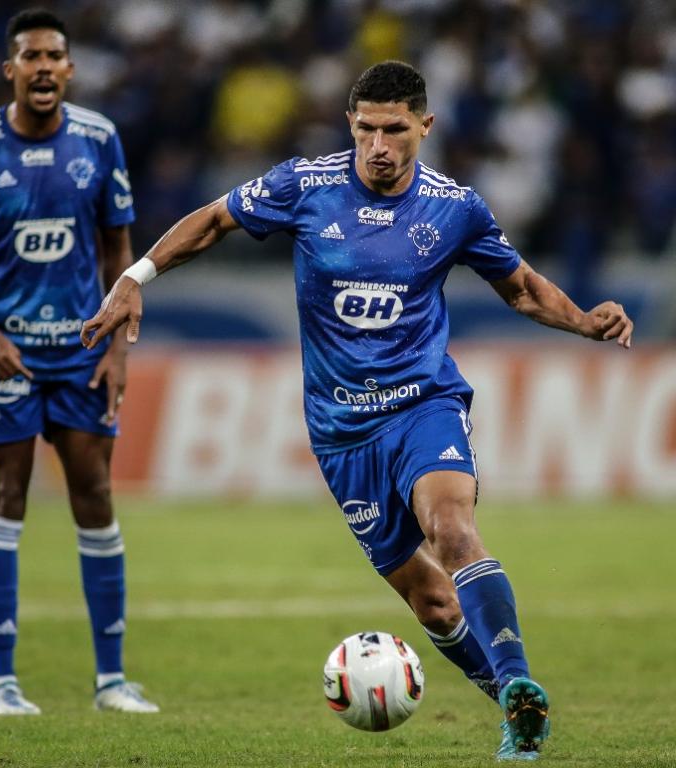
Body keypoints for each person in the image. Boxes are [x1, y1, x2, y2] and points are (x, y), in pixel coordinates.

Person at [82, 61, 634, 759]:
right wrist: (136, 277)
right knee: (432, 602)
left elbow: (520, 287)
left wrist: (582, 320)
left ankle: (519, 679)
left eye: (395, 130)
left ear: (424, 126)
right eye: (366, 129)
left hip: (423, 405)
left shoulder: (455, 208)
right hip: (342, 434)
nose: (379, 145)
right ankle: (513, 703)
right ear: (350, 124)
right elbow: (216, 219)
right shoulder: (303, 185)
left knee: (452, 529)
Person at [0, 9, 158, 716]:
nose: (42, 67)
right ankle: (1, 683)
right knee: (8, 495)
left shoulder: (99, 139)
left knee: (95, 494)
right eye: (30, 56)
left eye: (53, 56)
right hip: (7, 357)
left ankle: (112, 681)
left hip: (81, 353)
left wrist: (117, 347)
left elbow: (119, 251)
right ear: (10, 70)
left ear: (69, 69)